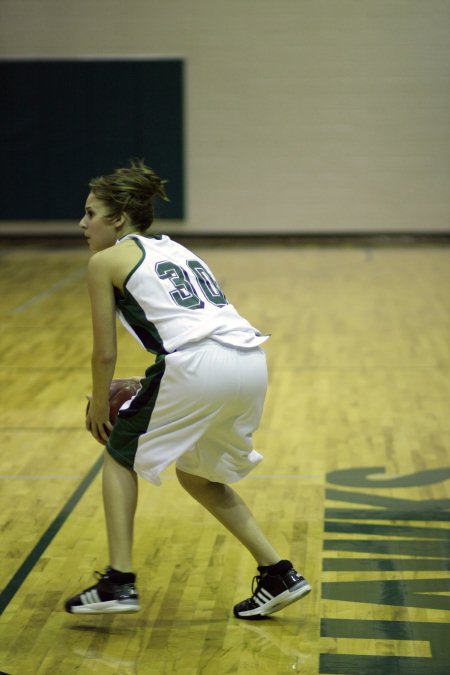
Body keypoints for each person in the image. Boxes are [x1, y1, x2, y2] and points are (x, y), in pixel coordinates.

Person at [64, 159, 311, 618]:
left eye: (90, 213)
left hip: (197, 365)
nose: (83, 223)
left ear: (118, 218)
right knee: (199, 476)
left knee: (120, 455)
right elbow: (199, 323)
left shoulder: (105, 260)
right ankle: (278, 573)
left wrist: (101, 403)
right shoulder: (176, 250)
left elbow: (103, 354)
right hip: (249, 359)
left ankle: (118, 580)